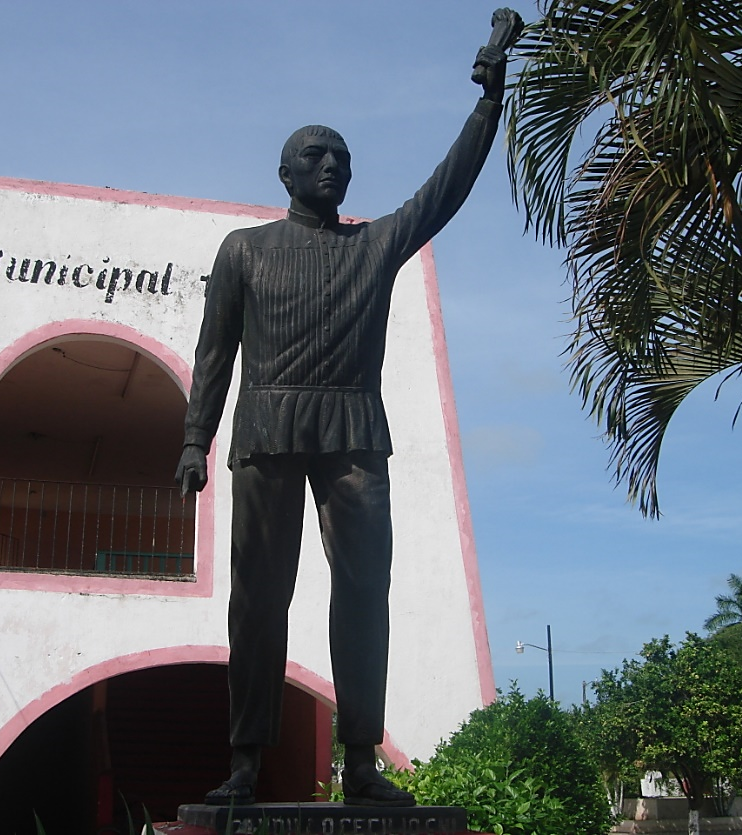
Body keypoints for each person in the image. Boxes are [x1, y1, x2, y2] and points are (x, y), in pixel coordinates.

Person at [174, 15, 516, 808]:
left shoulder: (374, 245)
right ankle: (246, 762)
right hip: (263, 428)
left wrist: (487, 104)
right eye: (315, 157)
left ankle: (359, 758)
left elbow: (445, 190)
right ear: (284, 173)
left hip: (353, 431)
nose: (332, 168)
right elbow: (213, 351)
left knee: (363, 590)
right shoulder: (244, 250)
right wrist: (195, 437)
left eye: (342, 159)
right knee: (258, 595)